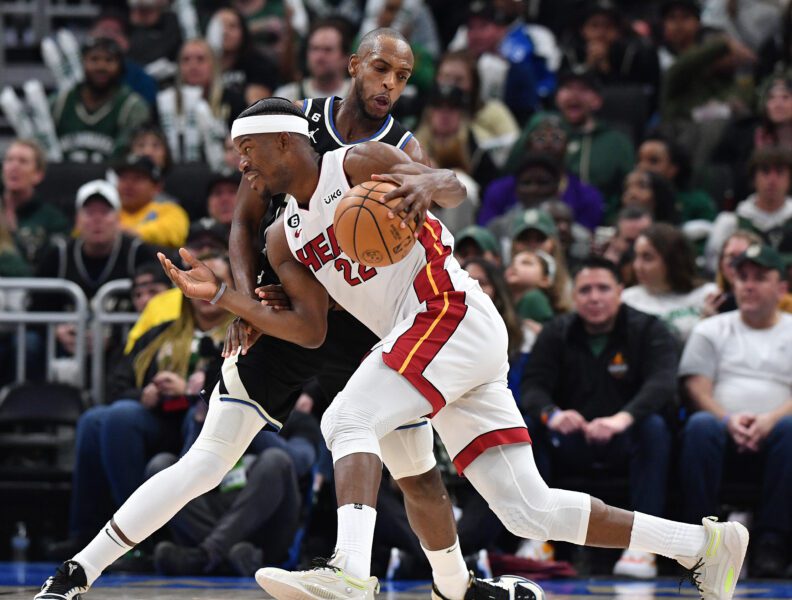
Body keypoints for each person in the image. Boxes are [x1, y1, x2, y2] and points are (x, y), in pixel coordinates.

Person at [148, 98, 751, 600]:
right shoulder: (286, 234)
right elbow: (309, 330)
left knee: (347, 417)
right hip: (442, 337)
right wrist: (229, 298)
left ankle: (351, 572)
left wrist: (429, 181)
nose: (241, 168)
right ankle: (702, 546)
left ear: (282, 142)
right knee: (528, 511)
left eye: (247, 154)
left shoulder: (355, 163)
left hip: (446, 309)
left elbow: (453, 186)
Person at [36, 33, 514, 600]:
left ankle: (456, 587)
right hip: (290, 299)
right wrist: (243, 296)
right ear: (354, 67)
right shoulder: (291, 125)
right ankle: (78, 571)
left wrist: (437, 189)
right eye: (380, 69)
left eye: (402, 75)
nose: (389, 83)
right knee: (208, 459)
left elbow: (438, 206)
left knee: (414, 472)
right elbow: (244, 222)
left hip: (371, 324)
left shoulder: (398, 148)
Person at [522, 256, 679, 579]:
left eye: (603, 288)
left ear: (620, 291)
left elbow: (662, 384)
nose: (594, 297)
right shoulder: (556, 332)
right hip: (572, 440)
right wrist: (553, 415)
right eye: (585, 290)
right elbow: (533, 386)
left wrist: (622, 419)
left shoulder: (650, 329)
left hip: (626, 438)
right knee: (530, 428)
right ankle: (537, 538)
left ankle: (643, 545)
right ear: (574, 296)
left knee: (655, 428)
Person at [678, 244, 792, 578]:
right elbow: (695, 387)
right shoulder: (710, 329)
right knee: (699, 425)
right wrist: (727, 420)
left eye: (760, 277)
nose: (748, 285)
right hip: (720, 429)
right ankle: (701, 541)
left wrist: (771, 419)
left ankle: (773, 542)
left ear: (782, 287)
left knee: (791, 430)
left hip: (780, 432)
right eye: (742, 278)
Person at [51, 37, 151, 163]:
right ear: (82, 63)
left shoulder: (133, 107)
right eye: (94, 59)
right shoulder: (60, 102)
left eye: (109, 60)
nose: (101, 66)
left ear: (120, 66)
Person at [622, 223, 718, 342]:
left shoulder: (708, 294)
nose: (637, 266)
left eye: (647, 257)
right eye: (636, 256)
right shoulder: (627, 300)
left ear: (672, 260)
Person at [706, 147, 792, 273]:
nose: (772, 180)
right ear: (753, 178)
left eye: (779, 172)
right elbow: (714, 266)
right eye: (765, 172)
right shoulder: (730, 222)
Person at [1, 139, 70, 269]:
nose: (14, 166)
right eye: (9, 160)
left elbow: (48, 269)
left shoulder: (54, 220)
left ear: (38, 174)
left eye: (23, 161)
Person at [115, 155, 190, 249]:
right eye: (124, 178)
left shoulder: (170, 210)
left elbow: (173, 232)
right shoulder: (109, 211)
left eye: (137, 178)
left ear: (157, 187)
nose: (128, 184)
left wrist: (128, 233)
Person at [211, 6, 279, 105]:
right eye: (220, 26)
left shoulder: (259, 65)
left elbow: (256, 107)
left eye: (232, 26)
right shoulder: (203, 62)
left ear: (243, 31)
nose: (225, 32)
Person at [274, 19, 352, 101]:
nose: (319, 57)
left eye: (327, 50)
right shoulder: (287, 97)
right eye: (315, 49)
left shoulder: (358, 96)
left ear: (346, 57)